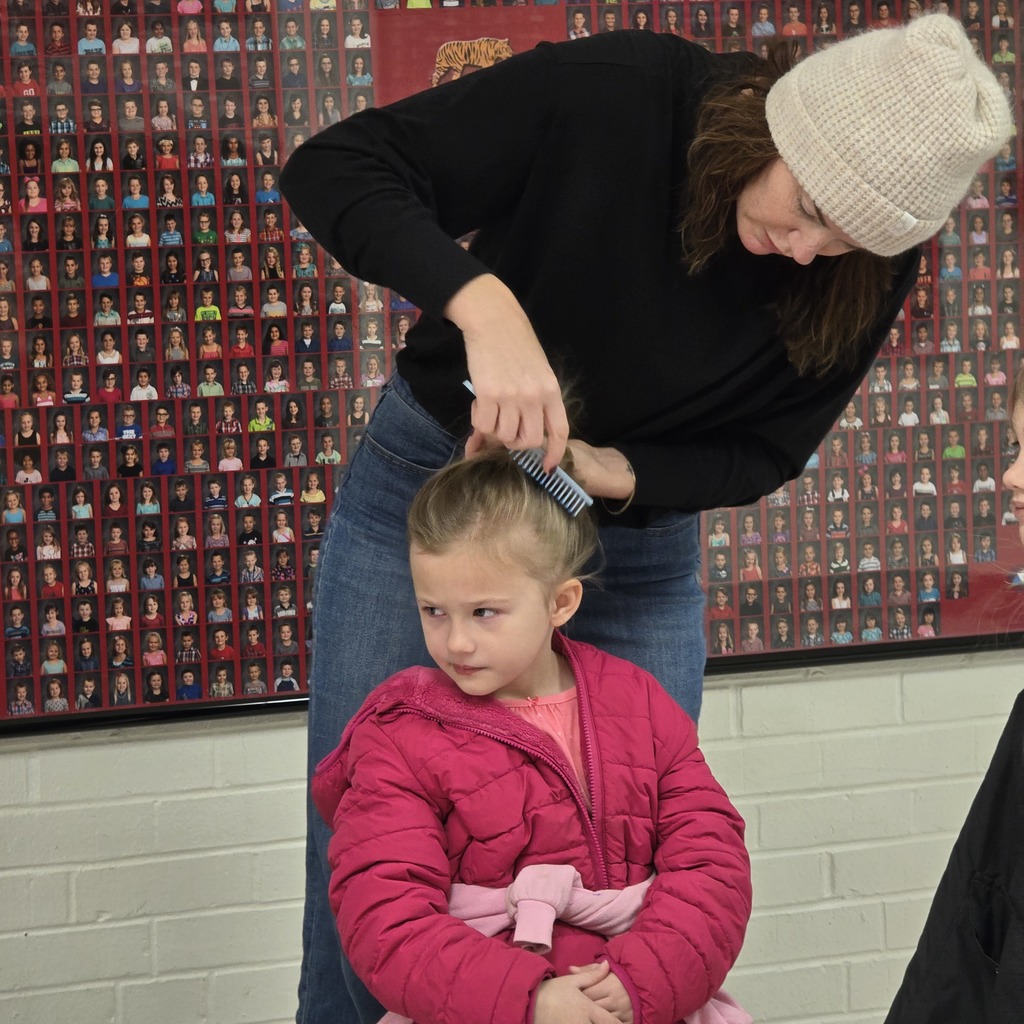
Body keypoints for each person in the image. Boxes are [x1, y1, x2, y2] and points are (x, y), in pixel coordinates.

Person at [280, 18, 1011, 1022]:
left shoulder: (865, 255)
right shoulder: (617, 94)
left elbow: (765, 451)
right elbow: (338, 167)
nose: (804, 251)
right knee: (373, 851)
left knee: (630, 856)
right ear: (778, 126)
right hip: (441, 497)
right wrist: (483, 309)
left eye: (843, 239)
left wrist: (600, 470)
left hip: (627, 531)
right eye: (805, 208)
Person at [314, 450, 750, 1024]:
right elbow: (385, 917)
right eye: (433, 610)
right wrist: (527, 1000)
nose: (457, 642)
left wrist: (646, 975)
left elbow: (712, 863)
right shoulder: (398, 737)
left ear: (560, 602)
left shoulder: (639, 703)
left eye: (484, 612)